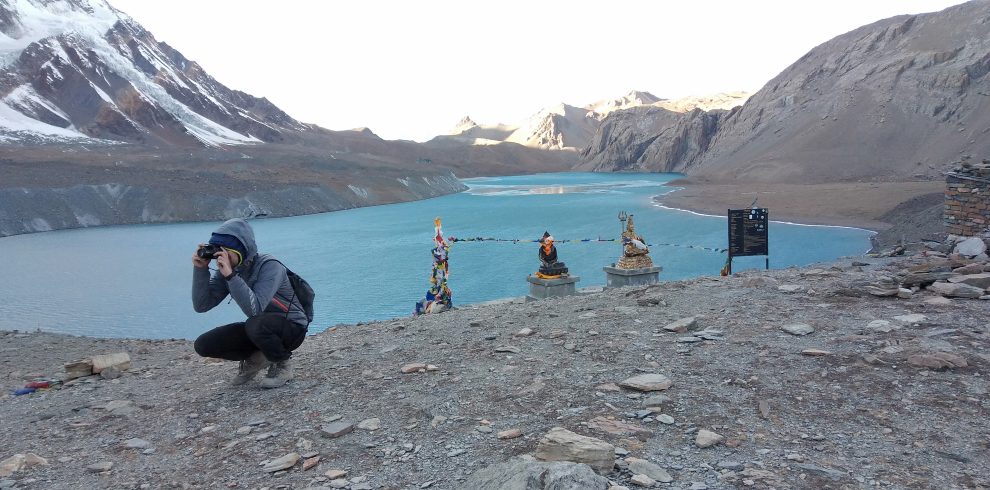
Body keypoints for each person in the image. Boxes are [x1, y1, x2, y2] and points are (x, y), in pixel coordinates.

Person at [191, 218, 308, 388]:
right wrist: (200, 269)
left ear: (240, 251)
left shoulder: (270, 266)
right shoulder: (229, 270)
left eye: (225, 252)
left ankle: (283, 365)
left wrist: (231, 277)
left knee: (255, 324)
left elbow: (256, 310)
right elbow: (202, 305)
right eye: (217, 251)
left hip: (292, 328)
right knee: (203, 344)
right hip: (260, 327)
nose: (220, 257)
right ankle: (257, 359)